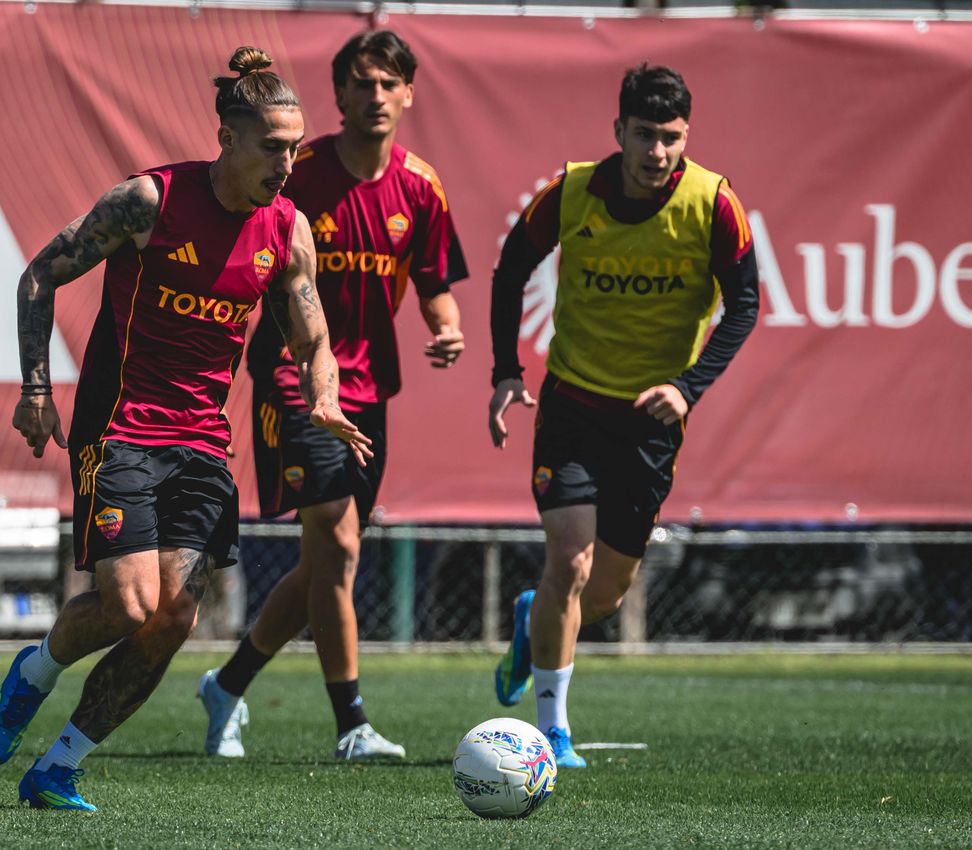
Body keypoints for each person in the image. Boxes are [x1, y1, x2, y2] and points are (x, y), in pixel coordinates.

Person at [0, 47, 371, 811]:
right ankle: (33, 673)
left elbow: (312, 337)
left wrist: (323, 396)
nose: (287, 164)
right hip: (118, 428)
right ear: (226, 137)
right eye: (272, 147)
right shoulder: (147, 203)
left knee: (174, 617)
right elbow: (39, 276)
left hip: (200, 442)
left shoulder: (288, 230)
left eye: (294, 148)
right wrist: (35, 388)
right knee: (127, 606)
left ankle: (59, 765)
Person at [197, 30, 467, 761]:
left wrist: (447, 330)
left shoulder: (422, 188)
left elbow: (437, 285)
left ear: (408, 93)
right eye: (362, 82)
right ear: (339, 93)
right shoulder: (298, 172)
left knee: (325, 564)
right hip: (294, 376)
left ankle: (228, 683)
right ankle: (352, 725)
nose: (375, 95)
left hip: (371, 388)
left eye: (389, 83)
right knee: (339, 542)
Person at [487, 63, 759, 768]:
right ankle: (553, 732)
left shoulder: (713, 204)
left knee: (601, 594)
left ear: (685, 136)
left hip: (650, 422)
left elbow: (747, 304)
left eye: (670, 137)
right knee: (569, 561)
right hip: (573, 404)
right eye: (644, 135)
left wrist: (689, 386)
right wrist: (506, 372)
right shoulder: (572, 191)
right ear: (619, 132)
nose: (657, 152)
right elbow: (511, 268)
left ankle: (530, 619)